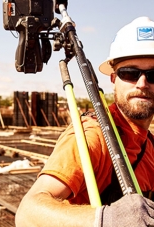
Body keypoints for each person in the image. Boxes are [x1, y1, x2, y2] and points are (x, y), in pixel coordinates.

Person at [15, 16, 154, 227]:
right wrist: (104, 220)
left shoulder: (150, 144)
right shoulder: (93, 136)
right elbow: (28, 214)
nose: (142, 84)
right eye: (130, 73)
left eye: (153, 75)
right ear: (113, 78)